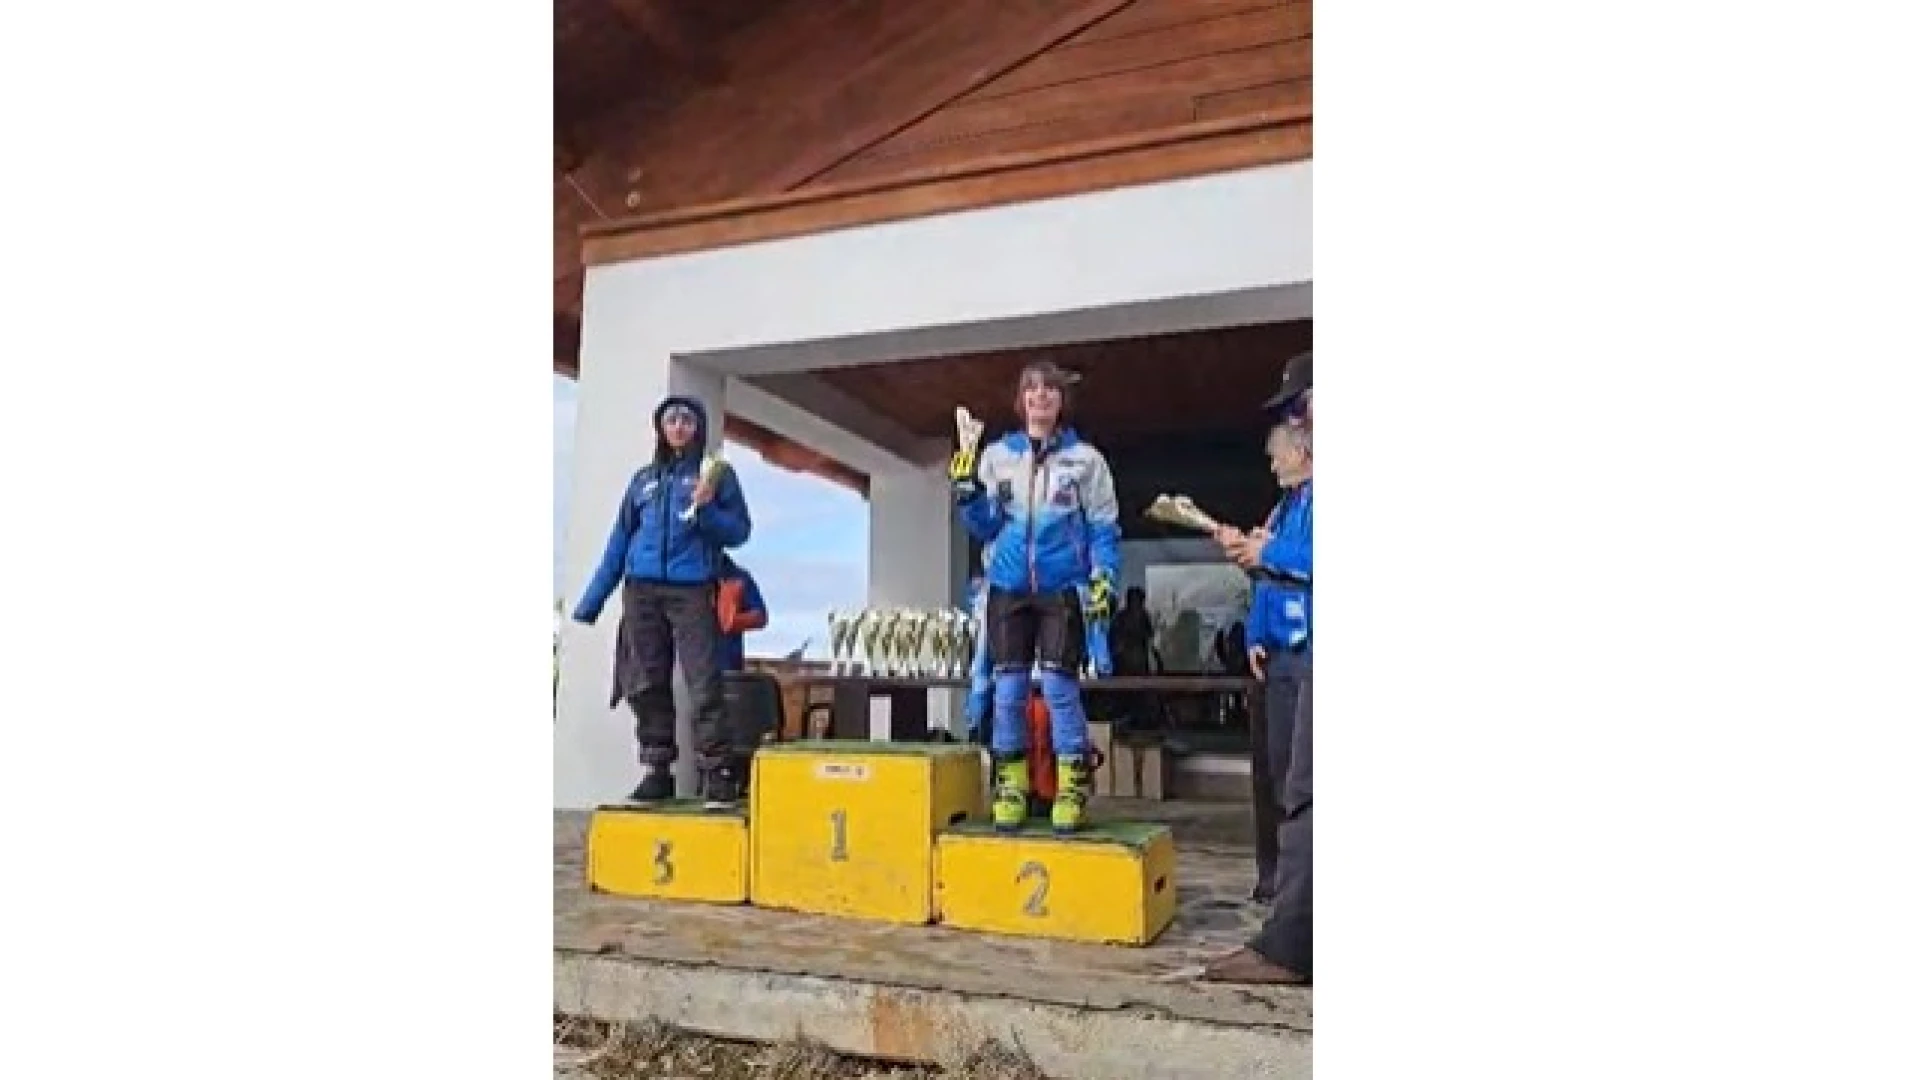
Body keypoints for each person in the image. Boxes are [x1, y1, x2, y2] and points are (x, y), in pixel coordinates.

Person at [951, 360, 1120, 833]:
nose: (1041, 397)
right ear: (1021, 400)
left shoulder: (1087, 460)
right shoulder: (996, 456)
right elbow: (986, 525)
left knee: (1061, 690)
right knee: (1007, 693)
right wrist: (966, 494)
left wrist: (1104, 575)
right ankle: (1011, 785)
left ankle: (1071, 788)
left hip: (1060, 588)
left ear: (1061, 401)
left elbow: (1104, 528)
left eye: (1050, 390)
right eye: (1032, 390)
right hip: (1007, 587)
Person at [571, 395, 755, 809]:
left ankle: (718, 772)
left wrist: (707, 512)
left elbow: (740, 531)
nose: (678, 426)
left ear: (698, 428)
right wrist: (591, 601)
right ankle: (657, 770)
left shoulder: (716, 477)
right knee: (645, 681)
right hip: (641, 591)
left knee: (703, 680)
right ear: (659, 427)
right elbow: (619, 540)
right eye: (670, 419)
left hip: (692, 590)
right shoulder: (642, 481)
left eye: (687, 420)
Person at [1205, 350, 1313, 985]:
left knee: (1305, 797)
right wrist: (1255, 632)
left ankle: (1291, 948)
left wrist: (1272, 551)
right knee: (1290, 792)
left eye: (1298, 413)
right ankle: (1289, 928)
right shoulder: (1292, 505)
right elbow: (1276, 581)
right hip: (1290, 658)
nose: (1289, 435)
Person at [714, 554, 769, 674]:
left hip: (726, 666)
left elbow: (760, 616)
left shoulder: (738, 577)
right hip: (682, 668)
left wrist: (731, 621)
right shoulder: (679, 576)